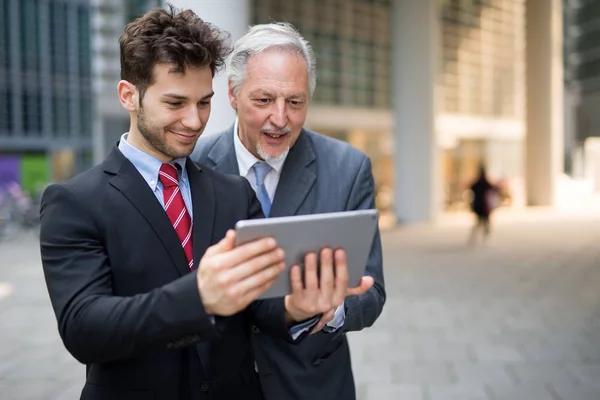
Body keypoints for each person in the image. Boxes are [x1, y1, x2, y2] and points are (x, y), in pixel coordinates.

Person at [39, 7, 355, 400]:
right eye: (175, 103)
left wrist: (294, 306)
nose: (194, 121)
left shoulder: (234, 193)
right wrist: (199, 296)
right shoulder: (75, 202)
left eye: (203, 103)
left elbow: (258, 303)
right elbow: (84, 328)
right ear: (128, 96)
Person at [193, 22, 386, 400]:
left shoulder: (349, 169)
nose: (280, 119)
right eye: (263, 100)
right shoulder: (194, 164)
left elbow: (372, 291)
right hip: (217, 385)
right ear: (233, 94)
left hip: (310, 386)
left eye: (295, 102)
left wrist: (333, 310)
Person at [468, 164, 500, 245]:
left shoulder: (478, 183)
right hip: (484, 207)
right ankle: (484, 238)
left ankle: (476, 238)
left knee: (479, 223)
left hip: (479, 206)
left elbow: (471, 188)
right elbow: (493, 188)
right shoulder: (485, 182)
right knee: (485, 223)